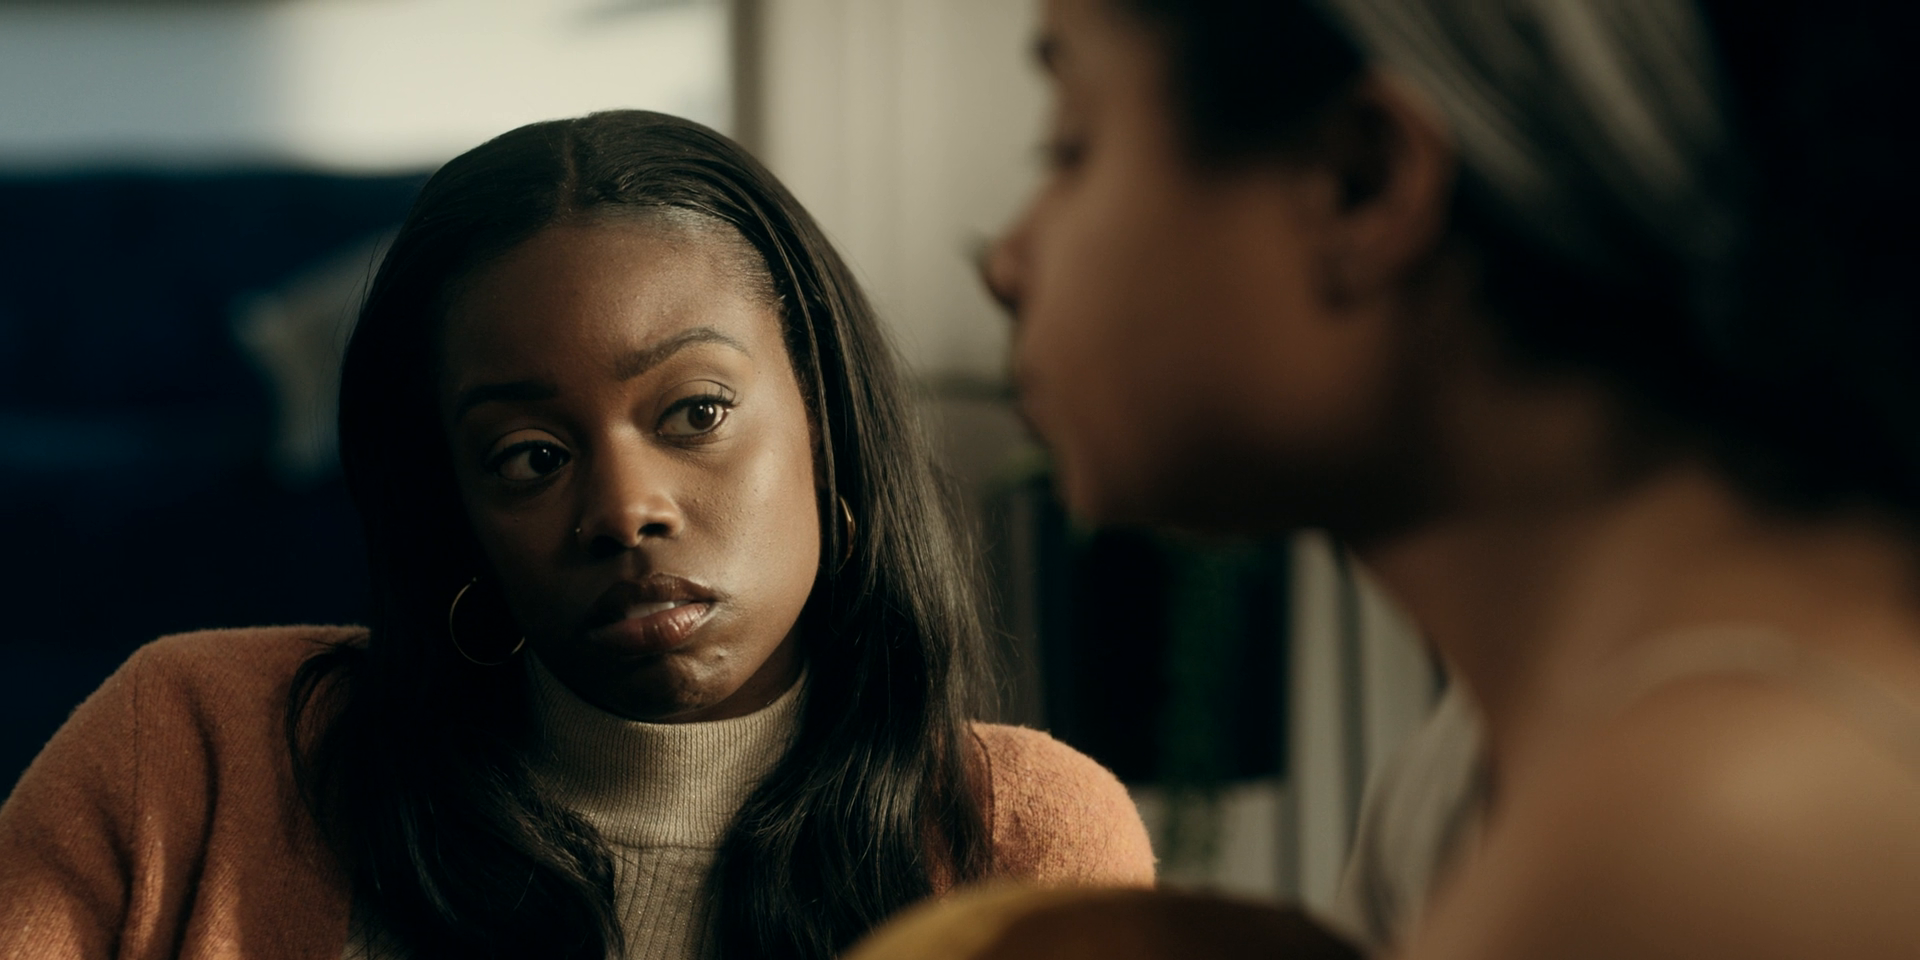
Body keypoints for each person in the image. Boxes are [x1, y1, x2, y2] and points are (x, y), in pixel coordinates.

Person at [0, 110, 1154, 960]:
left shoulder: (1025, 837)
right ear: (459, 513)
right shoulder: (192, 759)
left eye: (696, 413)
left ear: (825, 424)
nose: (623, 508)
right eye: (530, 458)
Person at [974, 0, 1920, 957]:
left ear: (1362, 183)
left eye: (1070, 147)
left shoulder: (1711, 831)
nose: (1005, 264)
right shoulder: (1475, 788)